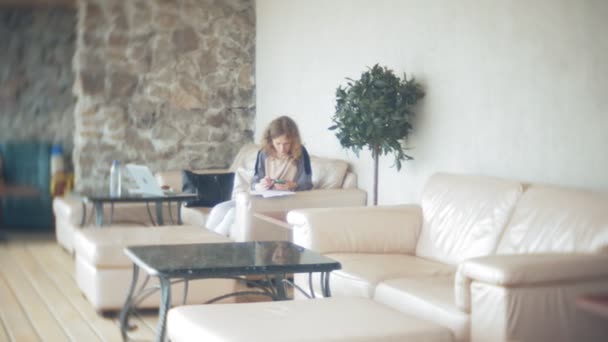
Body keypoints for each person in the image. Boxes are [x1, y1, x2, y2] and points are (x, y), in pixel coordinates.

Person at [205, 115, 313, 236]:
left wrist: (291, 185)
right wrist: (260, 185)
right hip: (263, 197)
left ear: (293, 140)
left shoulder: (301, 154)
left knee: (233, 213)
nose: (282, 148)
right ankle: (205, 242)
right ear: (271, 140)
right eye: (278, 144)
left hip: (282, 202)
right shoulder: (264, 152)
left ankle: (215, 244)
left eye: (286, 144)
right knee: (218, 209)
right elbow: (255, 181)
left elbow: (307, 183)